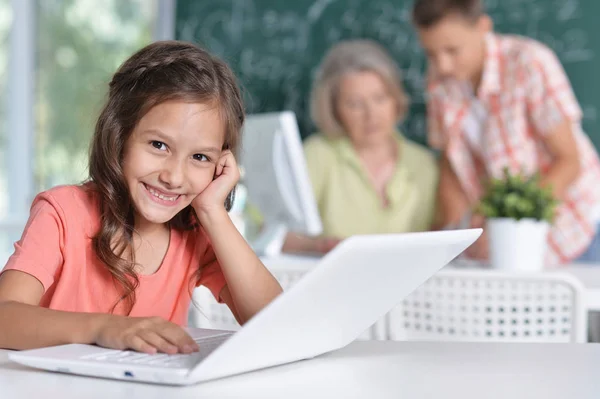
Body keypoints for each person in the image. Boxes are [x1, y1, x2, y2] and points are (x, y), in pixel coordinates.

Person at [0, 41, 282, 354]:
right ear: (119, 135)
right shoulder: (63, 213)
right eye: (159, 145)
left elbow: (277, 325)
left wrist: (213, 211)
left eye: (200, 157)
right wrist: (103, 327)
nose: (174, 177)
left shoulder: (197, 234)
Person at [413, 0, 600, 265]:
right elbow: (451, 162)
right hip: (504, 237)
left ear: (483, 27)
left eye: (452, 50)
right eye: (431, 54)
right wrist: (462, 228)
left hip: (574, 225)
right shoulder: (439, 80)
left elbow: (568, 161)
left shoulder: (529, 62)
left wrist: (505, 220)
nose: (443, 65)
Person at [282, 40, 439, 255]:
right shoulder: (317, 154)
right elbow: (271, 233)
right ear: (335, 109)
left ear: (395, 100)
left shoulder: (425, 163)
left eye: (380, 99)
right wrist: (318, 246)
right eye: (354, 104)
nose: (371, 115)